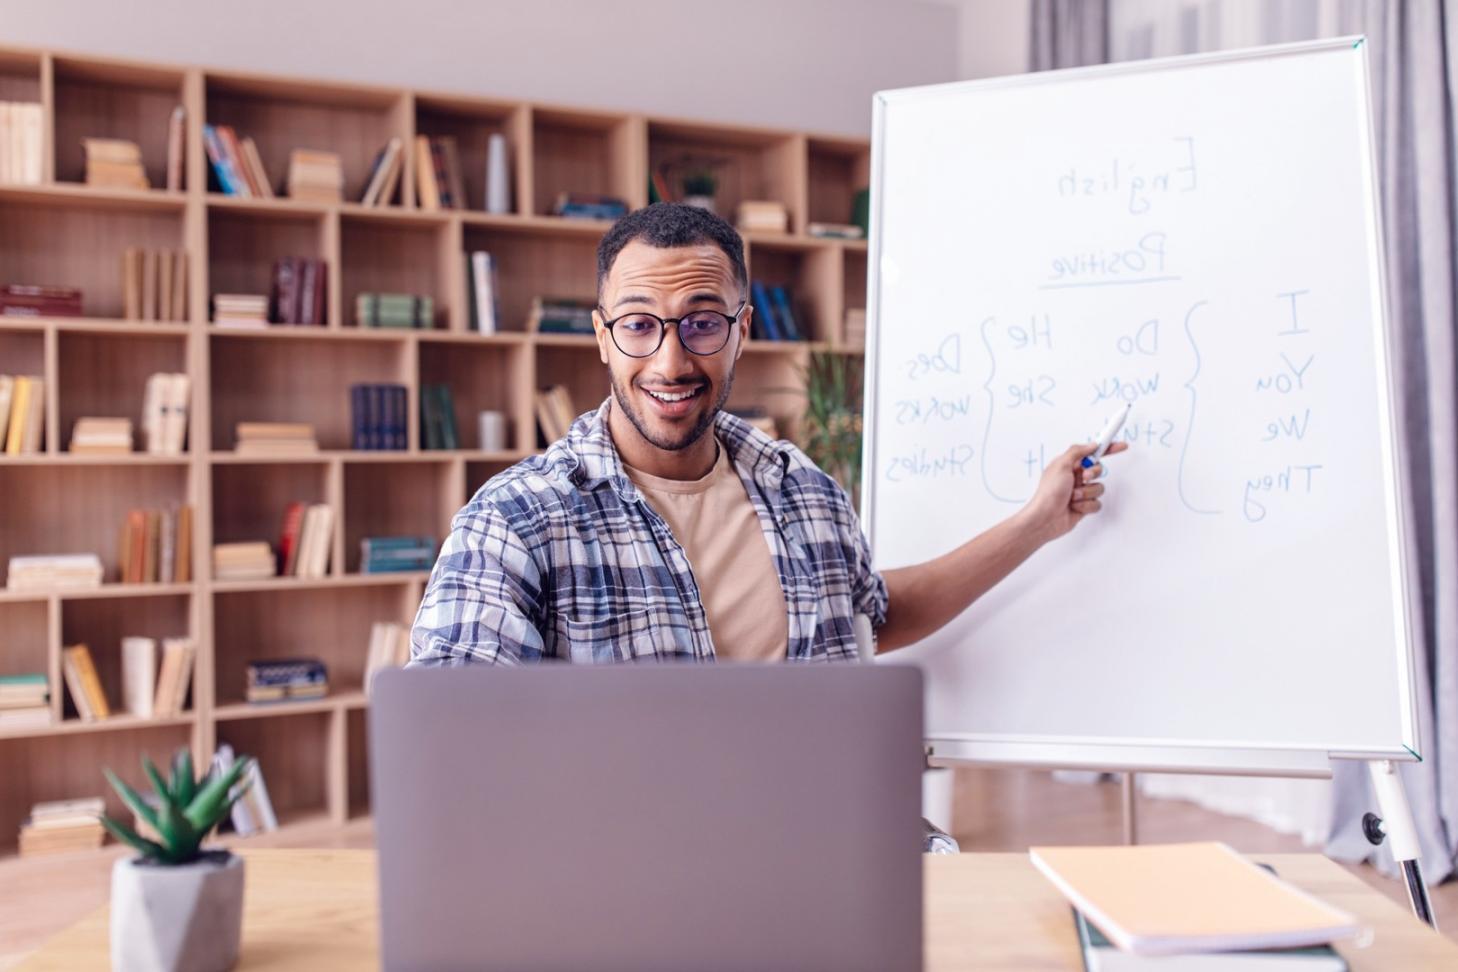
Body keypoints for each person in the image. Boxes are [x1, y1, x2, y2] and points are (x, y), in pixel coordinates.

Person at [410, 203, 1124, 665]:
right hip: (634, 868)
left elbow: (877, 613)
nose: (671, 359)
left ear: (741, 331)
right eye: (638, 325)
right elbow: (453, 722)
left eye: (702, 322)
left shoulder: (802, 489)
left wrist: (1037, 520)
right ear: (601, 337)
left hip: (821, 839)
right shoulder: (516, 520)